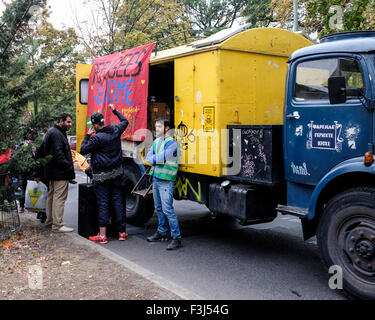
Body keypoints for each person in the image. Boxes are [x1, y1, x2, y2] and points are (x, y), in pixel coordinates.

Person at [80, 104, 128, 244]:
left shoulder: (97, 138)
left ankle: (102, 236)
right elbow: (125, 121)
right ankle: (122, 233)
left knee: (103, 204)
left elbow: (83, 150)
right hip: (117, 173)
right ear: (103, 122)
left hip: (102, 176)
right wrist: (114, 111)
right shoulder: (115, 130)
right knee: (118, 202)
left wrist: (87, 136)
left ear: (95, 125)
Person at [146, 118, 182, 250]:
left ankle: (176, 238)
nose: (157, 129)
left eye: (159, 127)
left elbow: (161, 158)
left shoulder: (172, 143)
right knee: (159, 208)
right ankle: (162, 232)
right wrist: (156, 159)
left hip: (166, 180)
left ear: (167, 128)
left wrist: (155, 159)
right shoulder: (156, 141)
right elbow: (148, 158)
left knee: (168, 210)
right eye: (156, 127)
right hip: (156, 179)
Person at [42, 114, 76, 233]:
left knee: (52, 196)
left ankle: (50, 221)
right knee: (59, 198)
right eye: (68, 122)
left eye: (71, 122)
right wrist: (67, 165)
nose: (70, 124)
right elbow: (58, 154)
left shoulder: (52, 132)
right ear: (61, 121)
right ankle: (57, 224)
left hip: (52, 171)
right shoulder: (57, 134)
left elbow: (44, 151)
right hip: (59, 172)